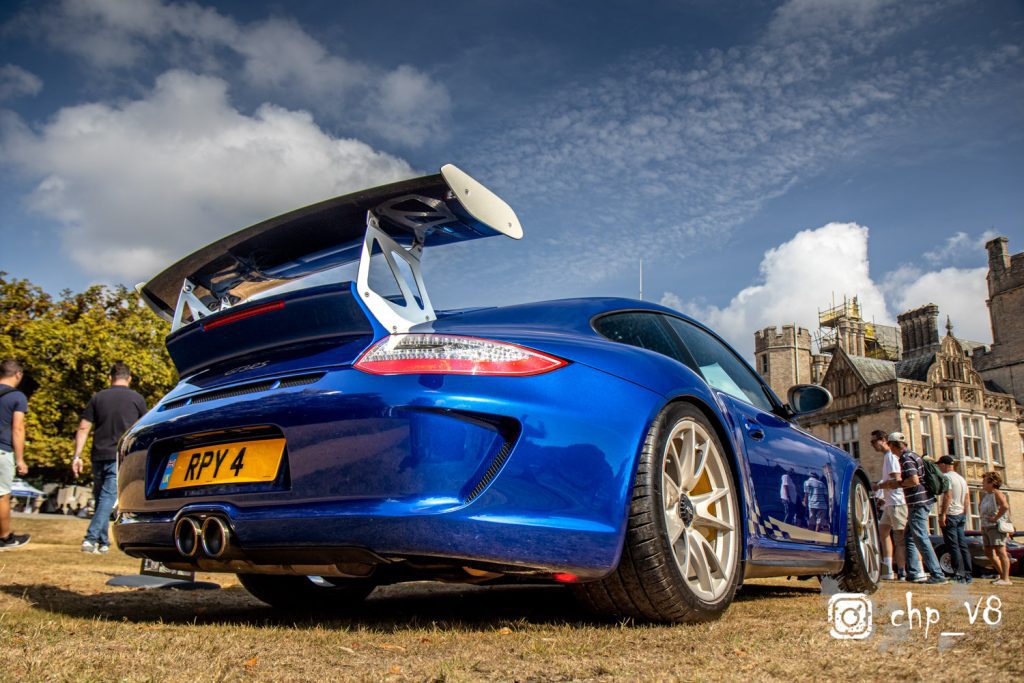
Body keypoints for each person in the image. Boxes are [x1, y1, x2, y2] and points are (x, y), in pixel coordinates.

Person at [72, 362, 148, 554]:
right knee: (106, 500)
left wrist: (77, 455)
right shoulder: (137, 399)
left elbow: (83, 427)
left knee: (102, 498)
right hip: (119, 455)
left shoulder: (98, 398)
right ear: (129, 378)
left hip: (98, 454)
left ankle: (102, 542)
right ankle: (92, 539)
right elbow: (142, 428)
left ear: (110, 378)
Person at [878, 431, 946, 584]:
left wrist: (898, 484)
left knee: (921, 537)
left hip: (918, 502)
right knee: (909, 536)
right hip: (920, 501)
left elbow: (913, 480)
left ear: (893, 445)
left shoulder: (906, 458)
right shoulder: (914, 455)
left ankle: (937, 574)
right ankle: (914, 572)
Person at [0, 359, 31, 550]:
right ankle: (4, 537)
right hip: (2, 450)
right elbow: (17, 428)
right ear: (18, 374)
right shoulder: (17, 397)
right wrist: (20, 459)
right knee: (2, 495)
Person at [870, 429, 906, 581]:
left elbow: (896, 481)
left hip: (897, 502)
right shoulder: (886, 457)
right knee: (883, 532)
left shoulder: (891, 456)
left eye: (874, 441)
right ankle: (888, 569)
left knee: (900, 537)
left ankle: (904, 570)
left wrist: (878, 486)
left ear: (884, 440)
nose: (872, 445)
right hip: (889, 503)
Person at [937, 455, 971, 583]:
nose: (939, 467)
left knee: (953, 545)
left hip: (951, 514)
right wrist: (964, 514)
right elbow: (967, 498)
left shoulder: (947, 477)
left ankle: (958, 573)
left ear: (945, 465)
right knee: (962, 545)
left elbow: (948, 495)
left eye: (940, 464)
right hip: (960, 514)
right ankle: (967, 573)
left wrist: (943, 514)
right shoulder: (961, 478)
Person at [979, 471, 1013, 586]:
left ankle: (1006, 578)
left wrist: (996, 518)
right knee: (988, 552)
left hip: (995, 527)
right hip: (986, 527)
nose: (982, 484)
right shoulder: (986, 495)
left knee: (1000, 551)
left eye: (984, 481)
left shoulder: (997, 493)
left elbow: (1005, 506)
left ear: (992, 483)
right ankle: (1002, 575)